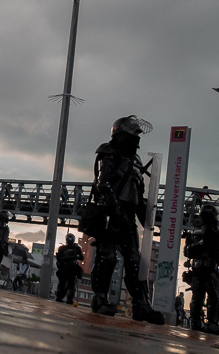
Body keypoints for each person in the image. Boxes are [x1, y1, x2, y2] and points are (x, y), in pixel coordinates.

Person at [87, 115, 165, 324]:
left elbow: (138, 193)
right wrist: (116, 210)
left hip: (128, 215)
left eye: (138, 134)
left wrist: (149, 218)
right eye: (133, 133)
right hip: (109, 213)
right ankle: (100, 298)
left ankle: (141, 305)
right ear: (120, 132)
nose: (136, 137)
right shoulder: (108, 152)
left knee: (134, 260)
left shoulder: (136, 160)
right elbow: (103, 184)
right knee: (109, 256)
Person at [183, 203, 219, 334]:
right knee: (216, 297)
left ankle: (195, 322)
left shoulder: (194, 230)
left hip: (196, 270)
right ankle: (212, 324)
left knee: (197, 297)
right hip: (209, 269)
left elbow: (186, 252)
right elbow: (216, 250)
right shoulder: (213, 230)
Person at [55, 233, 84, 304]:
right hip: (65, 268)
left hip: (71, 268)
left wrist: (75, 257)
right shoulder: (63, 248)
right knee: (65, 283)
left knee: (70, 284)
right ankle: (61, 297)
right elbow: (59, 259)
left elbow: (81, 257)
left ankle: (68, 298)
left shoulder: (76, 248)